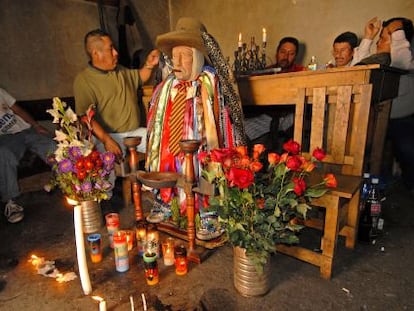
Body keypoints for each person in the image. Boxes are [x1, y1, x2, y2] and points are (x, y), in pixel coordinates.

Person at [145, 17, 246, 224]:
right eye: (175, 56)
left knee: (204, 165)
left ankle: (209, 210)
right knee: (167, 159)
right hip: (172, 145)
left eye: (185, 56)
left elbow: (225, 122)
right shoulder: (166, 87)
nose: (178, 62)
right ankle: (166, 199)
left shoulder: (212, 83)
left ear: (199, 57)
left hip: (201, 143)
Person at [73, 29, 160, 159]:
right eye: (111, 48)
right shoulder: (84, 80)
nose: (116, 53)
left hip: (135, 133)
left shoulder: (120, 70)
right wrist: (106, 139)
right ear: (96, 53)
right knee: (106, 166)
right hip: (108, 137)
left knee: (162, 142)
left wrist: (149, 65)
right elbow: (85, 118)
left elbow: (140, 77)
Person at [0, 88, 56, 223]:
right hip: (6, 138)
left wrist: (36, 126)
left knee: (51, 145)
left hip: (26, 129)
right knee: (4, 154)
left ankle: (68, 183)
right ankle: (11, 201)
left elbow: (18, 110)